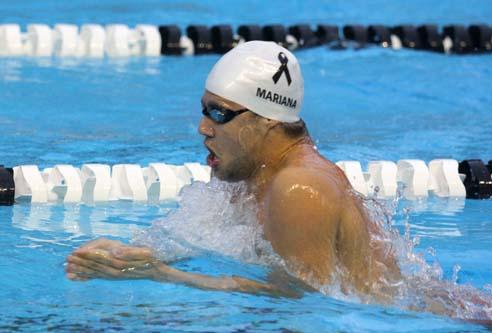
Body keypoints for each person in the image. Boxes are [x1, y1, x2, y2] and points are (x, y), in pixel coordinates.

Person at [65, 41, 399, 301]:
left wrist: (162, 274)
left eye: (219, 113)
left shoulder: (298, 187)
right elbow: (210, 240)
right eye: (204, 110)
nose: (203, 127)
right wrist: (132, 255)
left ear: (266, 120)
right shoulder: (250, 173)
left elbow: (307, 304)